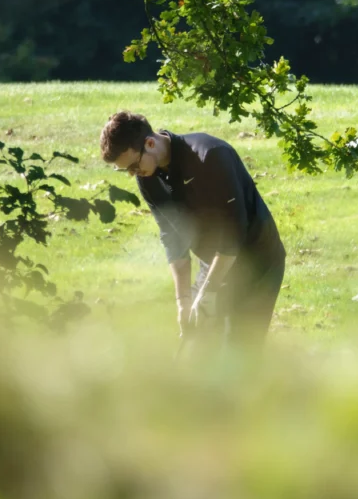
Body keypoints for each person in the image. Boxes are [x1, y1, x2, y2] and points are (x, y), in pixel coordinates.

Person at [99, 111, 286, 350]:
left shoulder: (210, 156)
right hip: (213, 264)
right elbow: (172, 237)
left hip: (258, 261)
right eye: (125, 170)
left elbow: (234, 235)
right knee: (193, 345)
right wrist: (183, 301)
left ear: (150, 143)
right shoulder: (147, 177)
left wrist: (208, 293)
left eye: (133, 165)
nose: (132, 174)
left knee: (238, 351)